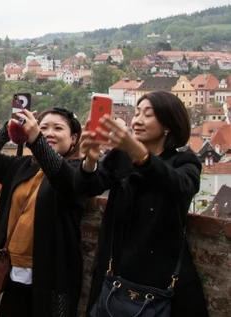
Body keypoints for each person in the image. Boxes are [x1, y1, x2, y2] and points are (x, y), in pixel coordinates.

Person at [77, 91, 209, 317]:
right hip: (115, 274)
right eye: (136, 113)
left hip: (158, 279)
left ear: (167, 124)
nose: (137, 120)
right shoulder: (121, 157)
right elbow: (89, 187)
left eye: (147, 115)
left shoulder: (184, 161)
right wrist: (89, 160)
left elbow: (181, 186)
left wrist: (139, 153)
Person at [0, 107, 87, 317]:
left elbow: (61, 178)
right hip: (13, 272)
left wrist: (37, 139)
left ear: (73, 139)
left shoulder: (79, 173)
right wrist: (9, 128)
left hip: (51, 276)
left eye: (58, 128)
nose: (49, 133)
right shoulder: (23, 166)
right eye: (43, 127)